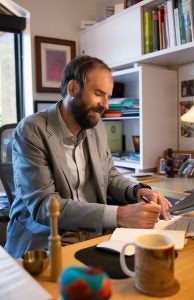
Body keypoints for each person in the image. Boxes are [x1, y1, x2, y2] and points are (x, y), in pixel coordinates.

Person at [5, 55, 171, 258]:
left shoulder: (96, 126)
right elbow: (44, 205)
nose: (106, 105)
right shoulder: (32, 130)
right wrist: (118, 215)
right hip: (48, 239)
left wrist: (136, 191)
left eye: (108, 96)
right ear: (73, 89)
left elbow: (109, 175)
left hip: (93, 234)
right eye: (99, 94)